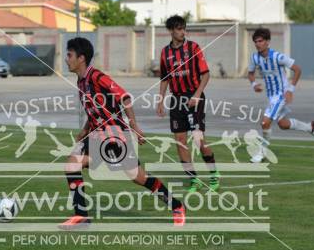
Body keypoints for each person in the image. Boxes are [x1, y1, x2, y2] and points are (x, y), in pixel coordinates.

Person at [59, 37, 185, 230]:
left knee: (137, 176)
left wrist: (135, 127)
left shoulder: (97, 77)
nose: (66, 59)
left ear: (81, 58)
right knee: (71, 165)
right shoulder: (80, 82)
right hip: (96, 136)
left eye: (69, 55)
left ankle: (176, 205)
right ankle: (81, 216)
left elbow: (124, 97)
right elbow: (95, 109)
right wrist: (85, 130)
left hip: (115, 136)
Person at [156, 15, 220, 193]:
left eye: (184, 28)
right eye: (178, 29)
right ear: (171, 31)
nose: (182, 32)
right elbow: (164, 78)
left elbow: (206, 74)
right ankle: (194, 180)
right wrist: (160, 100)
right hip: (176, 100)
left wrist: (197, 95)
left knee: (199, 139)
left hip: (194, 97)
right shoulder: (165, 53)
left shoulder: (193, 48)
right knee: (181, 142)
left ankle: (214, 174)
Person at [247, 28, 314, 163]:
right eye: (256, 41)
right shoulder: (255, 57)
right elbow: (250, 73)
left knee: (265, 122)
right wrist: (254, 85)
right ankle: (309, 127)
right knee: (283, 124)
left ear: (267, 42)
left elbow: (297, 69)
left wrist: (290, 90)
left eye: (261, 41)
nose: (258, 44)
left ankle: (262, 153)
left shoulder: (278, 57)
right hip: (271, 96)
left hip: (281, 95)